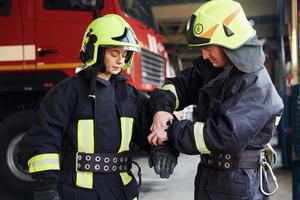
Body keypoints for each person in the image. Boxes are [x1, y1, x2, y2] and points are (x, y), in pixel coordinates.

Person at [18, 14, 177, 200]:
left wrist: (163, 149)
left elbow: (151, 131)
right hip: (77, 193)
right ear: (95, 50)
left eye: (124, 55)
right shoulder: (66, 93)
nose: (120, 61)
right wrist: (46, 186)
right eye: (114, 53)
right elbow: (43, 140)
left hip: (122, 192)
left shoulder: (131, 96)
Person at [147, 0, 284, 199]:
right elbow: (178, 85)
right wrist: (162, 109)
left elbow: (225, 136)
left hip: (239, 183)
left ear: (230, 41)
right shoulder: (214, 71)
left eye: (209, 47)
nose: (204, 54)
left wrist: (171, 133)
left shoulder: (256, 84)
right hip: (209, 175)